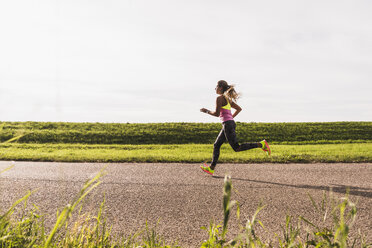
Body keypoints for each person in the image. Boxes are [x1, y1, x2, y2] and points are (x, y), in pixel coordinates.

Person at [200, 80, 271, 175]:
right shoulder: (228, 99)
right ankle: (211, 168)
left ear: (220, 87)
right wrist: (230, 118)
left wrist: (206, 111)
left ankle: (261, 144)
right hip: (229, 123)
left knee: (236, 148)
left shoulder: (219, 98)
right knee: (216, 145)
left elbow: (217, 114)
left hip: (228, 124)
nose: (215, 88)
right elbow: (239, 109)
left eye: (216, 86)